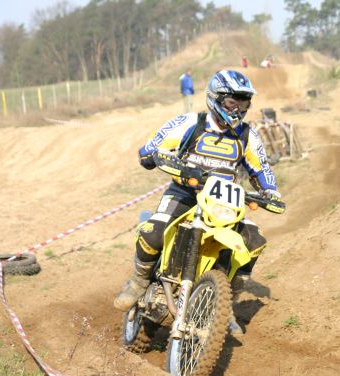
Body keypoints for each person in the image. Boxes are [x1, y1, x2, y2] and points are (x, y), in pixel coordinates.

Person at [114, 70, 281, 315]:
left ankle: (224, 305)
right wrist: (155, 155)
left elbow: (261, 168)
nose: (238, 110)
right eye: (232, 102)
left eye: (243, 104)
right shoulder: (190, 123)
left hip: (223, 202)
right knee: (154, 233)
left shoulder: (247, 135)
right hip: (184, 194)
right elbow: (151, 148)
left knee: (255, 242)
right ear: (216, 98)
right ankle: (139, 282)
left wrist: (270, 191)